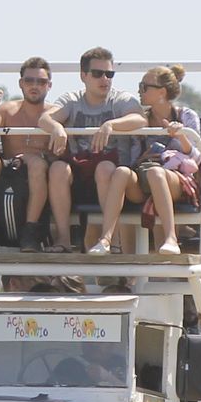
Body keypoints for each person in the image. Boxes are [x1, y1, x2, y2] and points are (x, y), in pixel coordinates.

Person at [38, 47, 146, 252]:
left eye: (109, 74)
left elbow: (140, 119)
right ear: (83, 75)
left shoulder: (121, 99)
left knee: (105, 168)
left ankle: (110, 241)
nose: (104, 79)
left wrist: (111, 125)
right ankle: (63, 239)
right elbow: (45, 119)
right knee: (58, 169)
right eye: (98, 73)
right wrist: (57, 128)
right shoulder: (71, 99)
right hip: (80, 178)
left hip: (113, 180)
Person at [87, 65, 201, 257]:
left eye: (144, 87)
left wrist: (180, 135)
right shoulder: (140, 120)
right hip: (144, 177)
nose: (139, 91)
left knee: (156, 173)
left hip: (176, 178)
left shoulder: (186, 116)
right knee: (122, 171)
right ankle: (106, 239)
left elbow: (196, 157)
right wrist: (144, 157)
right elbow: (132, 161)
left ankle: (171, 238)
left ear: (161, 92)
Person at [0, 58, 53, 254]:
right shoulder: (8, 109)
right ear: (21, 83)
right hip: (9, 169)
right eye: (29, 80)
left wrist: (35, 156)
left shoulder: (54, 112)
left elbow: (61, 150)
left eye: (41, 82)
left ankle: (30, 231)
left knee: (36, 164)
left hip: (39, 169)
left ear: (49, 85)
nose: (35, 86)